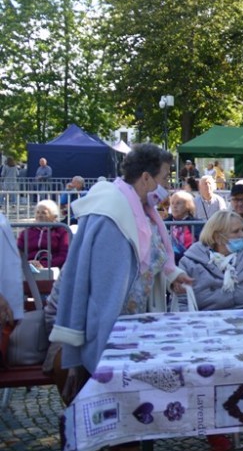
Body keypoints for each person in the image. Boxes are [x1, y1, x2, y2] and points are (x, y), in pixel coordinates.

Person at [50, 143, 193, 407]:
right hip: (111, 336)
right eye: (164, 178)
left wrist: (171, 275)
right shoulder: (112, 216)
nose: (167, 185)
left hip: (131, 328)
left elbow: (149, 257)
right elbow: (104, 294)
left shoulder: (139, 210)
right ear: (146, 178)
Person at [178, 210, 243, 451]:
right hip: (206, 329)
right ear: (217, 236)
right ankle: (213, 429)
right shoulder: (190, 262)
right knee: (205, 367)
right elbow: (181, 304)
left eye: (242, 229)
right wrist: (199, 328)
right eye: (236, 231)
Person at [17, 200, 71, 271]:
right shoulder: (26, 232)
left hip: (52, 268)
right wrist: (27, 263)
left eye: (44, 213)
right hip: (28, 268)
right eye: (37, 212)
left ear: (54, 216)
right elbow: (17, 252)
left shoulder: (61, 232)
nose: (39, 215)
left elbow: (64, 255)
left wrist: (43, 265)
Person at [164, 191, 199, 262]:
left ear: (188, 205)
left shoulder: (197, 224)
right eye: (172, 203)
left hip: (190, 261)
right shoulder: (163, 223)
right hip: (169, 261)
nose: (174, 206)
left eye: (178, 203)